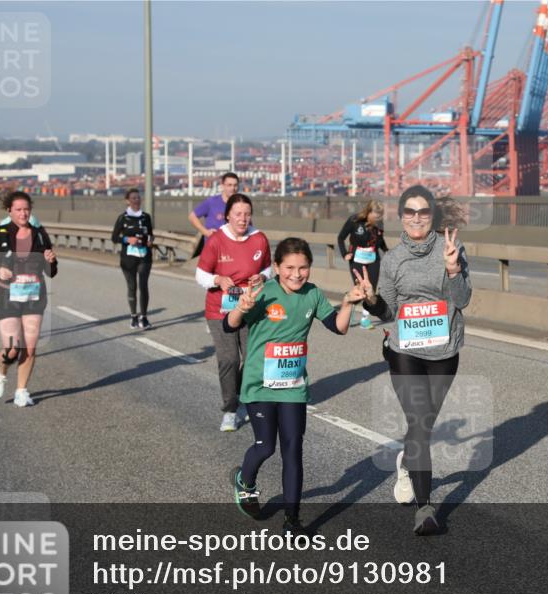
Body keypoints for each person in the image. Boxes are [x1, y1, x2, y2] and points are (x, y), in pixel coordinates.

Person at [354, 185, 471, 536]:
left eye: (423, 212)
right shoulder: (393, 260)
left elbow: (462, 300)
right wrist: (372, 301)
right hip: (405, 351)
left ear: (432, 215)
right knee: (419, 424)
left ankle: (406, 461)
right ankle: (425, 509)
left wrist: (453, 269)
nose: (416, 218)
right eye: (410, 212)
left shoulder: (451, 248)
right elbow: (387, 311)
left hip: (444, 351)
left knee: (424, 426)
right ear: (401, 217)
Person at [229, 237, 364, 534]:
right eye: (289, 267)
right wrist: (241, 307)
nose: (297, 274)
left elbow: (338, 327)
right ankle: (245, 481)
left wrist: (348, 303)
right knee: (266, 447)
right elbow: (230, 324)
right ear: (277, 267)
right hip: (259, 385)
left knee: (293, 450)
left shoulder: (312, 294)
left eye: (303, 267)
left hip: (292, 386)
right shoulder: (264, 292)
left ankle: (292, 520)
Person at [196, 193, 271, 432]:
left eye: (247, 214)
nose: (243, 219)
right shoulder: (217, 240)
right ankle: (230, 410)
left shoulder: (259, 239)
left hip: (250, 307)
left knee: (253, 359)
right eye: (238, 214)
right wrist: (218, 279)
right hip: (220, 310)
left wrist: (263, 277)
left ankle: (238, 395)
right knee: (229, 359)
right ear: (227, 215)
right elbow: (200, 275)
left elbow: (268, 267)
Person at [0, 191, 58, 407]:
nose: (23, 213)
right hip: (6, 296)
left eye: (26, 209)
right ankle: (1, 371)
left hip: (34, 295)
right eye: (19, 209)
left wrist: (51, 261)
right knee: (13, 348)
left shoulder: (40, 234)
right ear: (9, 211)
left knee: (29, 348)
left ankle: (22, 391)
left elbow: (51, 272)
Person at [337, 199, 387, 329]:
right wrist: (344, 254)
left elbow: (380, 240)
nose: (379, 218)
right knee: (360, 289)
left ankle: (365, 320)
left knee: (371, 290)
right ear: (369, 212)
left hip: (373, 259)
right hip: (357, 259)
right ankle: (346, 310)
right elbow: (340, 238)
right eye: (377, 215)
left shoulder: (379, 223)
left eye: (381, 215)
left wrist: (387, 251)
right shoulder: (354, 220)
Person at [111, 188, 154, 329]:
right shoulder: (122, 218)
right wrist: (127, 239)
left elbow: (150, 234)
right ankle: (134, 317)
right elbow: (114, 237)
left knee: (143, 286)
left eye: (138, 197)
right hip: (128, 258)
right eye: (133, 198)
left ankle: (144, 317)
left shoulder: (146, 217)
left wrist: (150, 240)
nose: (137, 200)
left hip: (144, 256)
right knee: (132, 287)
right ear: (127, 201)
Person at [188, 172, 239, 258]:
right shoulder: (211, 202)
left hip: (233, 250)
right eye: (229, 185)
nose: (233, 188)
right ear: (222, 186)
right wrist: (206, 232)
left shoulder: (241, 204)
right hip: (213, 250)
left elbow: (247, 225)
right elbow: (192, 216)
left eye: (235, 185)